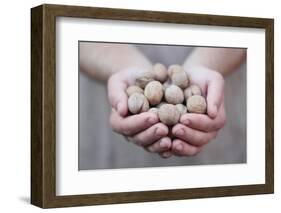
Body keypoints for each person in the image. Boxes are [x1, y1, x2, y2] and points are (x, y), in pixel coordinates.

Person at [79, 43, 246, 169]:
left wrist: (207, 64)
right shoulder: (143, 91)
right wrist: (124, 66)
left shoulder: (185, 93)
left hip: (220, 91)